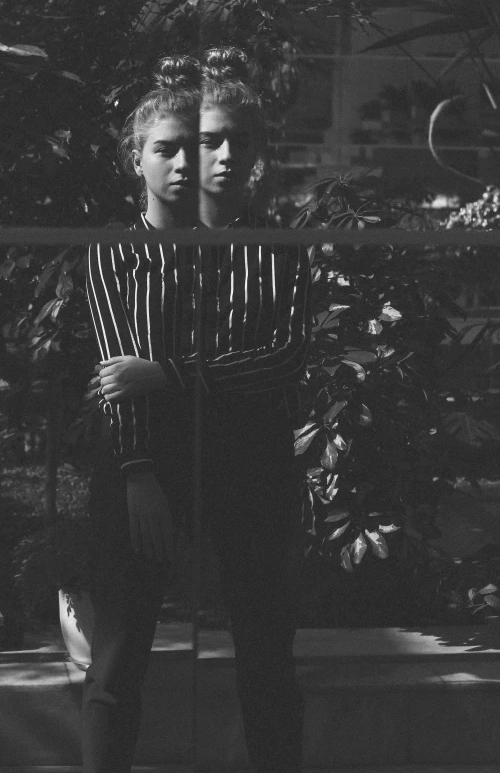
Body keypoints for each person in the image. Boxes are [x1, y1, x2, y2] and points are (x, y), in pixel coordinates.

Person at [85, 47, 311, 773]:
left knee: (268, 652)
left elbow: (280, 358)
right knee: (119, 657)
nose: (208, 158)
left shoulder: (276, 249)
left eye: (232, 141)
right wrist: (138, 468)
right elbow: (122, 374)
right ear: (140, 159)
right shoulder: (118, 253)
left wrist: (169, 372)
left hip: (250, 459)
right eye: (189, 143)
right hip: (150, 459)